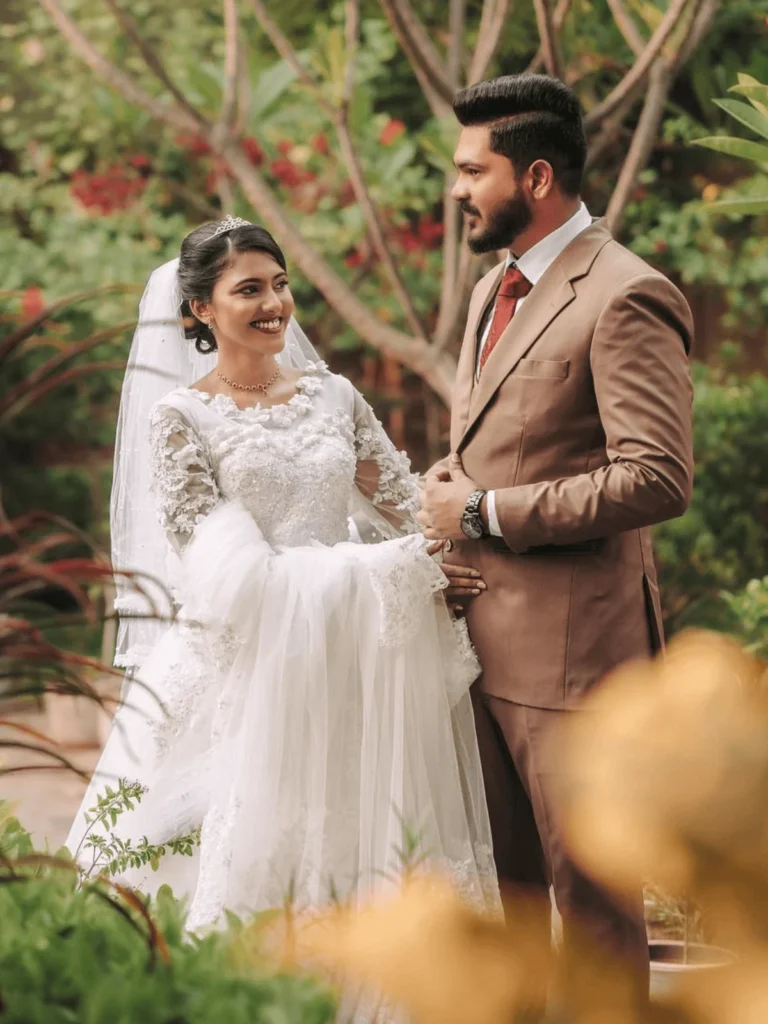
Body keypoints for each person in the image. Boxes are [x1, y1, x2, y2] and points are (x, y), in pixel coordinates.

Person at [67, 217, 499, 932]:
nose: (273, 304)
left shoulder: (335, 397)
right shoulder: (180, 419)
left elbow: (408, 512)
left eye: (280, 284)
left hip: (345, 665)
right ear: (201, 308)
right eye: (249, 290)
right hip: (239, 671)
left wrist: (436, 555)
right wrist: (394, 572)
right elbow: (227, 580)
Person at [418, 73, 694, 1000]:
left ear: (535, 178)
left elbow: (655, 478)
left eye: (472, 171)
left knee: (596, 918)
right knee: (512, 910)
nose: (456, 189)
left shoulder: (626, 294)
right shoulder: (492, 288)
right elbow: (506, 443)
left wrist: (484, 513)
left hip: (575, 667)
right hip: (480, 650)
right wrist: (449, 497)